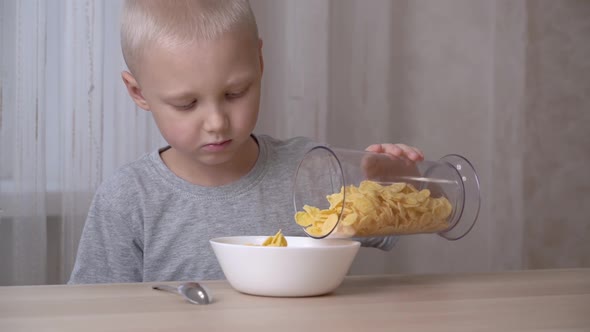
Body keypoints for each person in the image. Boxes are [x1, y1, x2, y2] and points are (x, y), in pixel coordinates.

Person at [68, 0, 424, 284]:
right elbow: (93, 311)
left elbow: (392, 228)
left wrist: (395, 185)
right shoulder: (129, 199)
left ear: (259, 62)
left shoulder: (312, 169)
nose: (216, 122)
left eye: (235, 93)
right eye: (187, 104)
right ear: (138, 91)